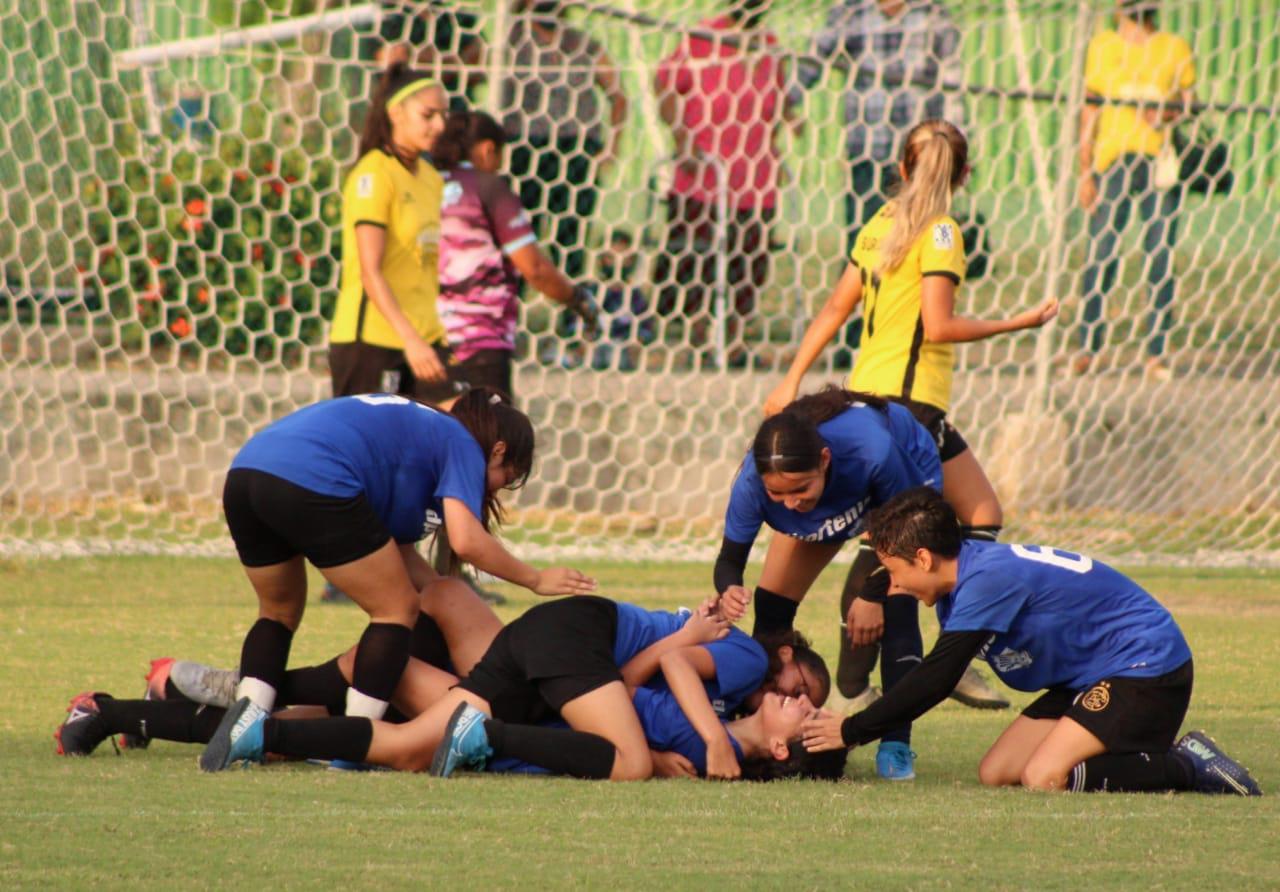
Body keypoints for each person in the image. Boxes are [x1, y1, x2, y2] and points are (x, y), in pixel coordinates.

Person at [763, 120, 1057, 717]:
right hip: (911, 405)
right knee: (935, 526)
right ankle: (931, 654)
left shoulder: (879, 224)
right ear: (964, 176)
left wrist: (791, 378)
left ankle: (911, 657)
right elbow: (941, 325)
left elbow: (834, 309)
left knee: (975, 513)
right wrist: (1018, 324)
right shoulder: (943, 229)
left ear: (901, 168)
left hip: (858, 399)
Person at [202, 388, 595, 768]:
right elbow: (467, 540)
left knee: (279, 611)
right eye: (507, 479)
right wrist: (535, 579)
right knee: (396, 611)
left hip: (249, 469)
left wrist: (449, 599)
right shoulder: (460, 443)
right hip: (313, 474)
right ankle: (353, 743)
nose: (496, 489)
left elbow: (398, 557)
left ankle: (246, 718)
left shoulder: (418, 439)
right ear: (498, 451)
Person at [802, 486, 1264, 796]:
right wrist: (870, 591)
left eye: (896, 571)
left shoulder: (985, 584)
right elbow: (896, 576)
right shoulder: (963, 565)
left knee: (1045, 777)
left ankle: (1186, 764)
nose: (895, 584)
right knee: (996, 773)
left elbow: (937, 677)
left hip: (1145, 668)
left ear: (923, 558)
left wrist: (851, 731)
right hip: (1090, 673)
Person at [200, 595, 834, 781]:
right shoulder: (741, 672)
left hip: (555, 665)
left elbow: (636, 681)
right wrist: (705, 745)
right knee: (631, 764)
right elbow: (658, 674)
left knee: (406, 745)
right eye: (805, 688)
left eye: (805, 710)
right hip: (571, 644)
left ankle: (259, 724)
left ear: (783, 751)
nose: (801, 700)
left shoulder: (717, 725)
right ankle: (250, 694)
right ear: (785, 656)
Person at [714, 386, 940, 779]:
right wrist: (730, 589)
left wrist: (871, 593)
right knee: (770, 612)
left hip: (900, 499)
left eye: (800, 488)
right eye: (777, 493)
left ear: (824, 459)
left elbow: (909, 528)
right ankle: (761, 729)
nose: (790, 502)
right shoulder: (754, 482)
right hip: (837, 503)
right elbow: (729, 561)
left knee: (896, 608)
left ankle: (896, 744)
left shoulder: (875, 452)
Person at [653, 0, 798, 367]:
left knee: (748, 259)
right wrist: (682, 140)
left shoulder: (768, 44)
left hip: (754, 175)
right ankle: (697, 335)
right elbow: (665, 85)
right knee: (695, 255)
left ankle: (733, 339)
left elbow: (775, 103)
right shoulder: (703, 36)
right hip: (704, 172)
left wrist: (785, 131)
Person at [434, 109, 599, 401]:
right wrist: (577, 300)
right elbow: (534, 268)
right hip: (479, 341)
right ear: (488, 150)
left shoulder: (425, 185)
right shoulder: (489, 189)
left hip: (427, 342)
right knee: (491, 442)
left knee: (432, 440)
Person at [1075, 0, 1196, 379]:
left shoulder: (1173, 47)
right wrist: (1085, 170)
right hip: (1112, 162)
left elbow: (1189, 102)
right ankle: (1088, 348)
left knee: (1160, 256)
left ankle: (1156, 354)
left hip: (1159, 161)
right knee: (1102, 253)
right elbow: (1089, 110)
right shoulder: (1103, 46)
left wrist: (1167, 113)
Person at [328, 64, 458, 405]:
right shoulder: (374, 173)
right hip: (373, 340)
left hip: (426, 336)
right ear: (396, 112)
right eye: (428, 115)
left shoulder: (431, 178)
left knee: (463, 434)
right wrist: (410, 340)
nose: (439, 125)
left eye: (443, 115)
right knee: (370, 453)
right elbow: (370, 272)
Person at [793, 0, 963, 250]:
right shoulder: (852, 11)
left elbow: (952, 83)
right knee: (865, 244)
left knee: (934, 241)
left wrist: (956, 149)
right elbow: (813, 59)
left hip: (922, 155)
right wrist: (781, 100)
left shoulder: (932, 13)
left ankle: (940, 284)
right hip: (867, 148)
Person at [499, 0, 628, 279]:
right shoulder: (510, 42)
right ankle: (511, 307)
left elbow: (618, 96)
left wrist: (612, 147)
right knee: (520, 235)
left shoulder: (582, 44)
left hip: (576, 150)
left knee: (572, 237)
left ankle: (572, 311)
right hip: (527, 148)